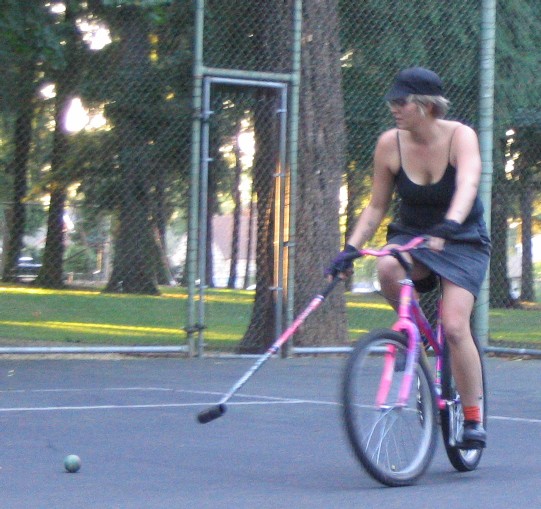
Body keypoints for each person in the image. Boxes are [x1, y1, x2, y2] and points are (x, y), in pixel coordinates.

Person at [327, 67, 490, 449]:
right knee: (386, 264)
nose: (394, 107)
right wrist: (349, 249)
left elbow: (468, 183)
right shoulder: (390, 144)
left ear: (426, 105)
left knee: (454, 325)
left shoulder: (460, 136)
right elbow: (376, 206)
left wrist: (450, 224)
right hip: (413, 237)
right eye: (393, 101)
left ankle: (472, 417)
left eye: (401, 101)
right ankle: (413, 338)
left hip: (462, 238)